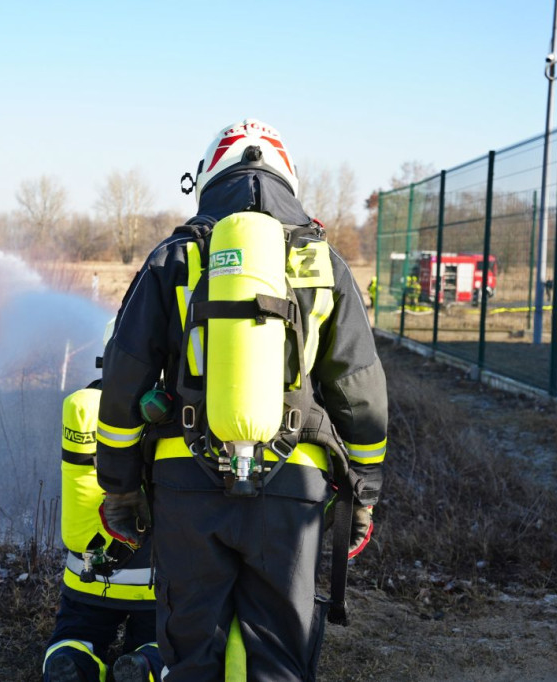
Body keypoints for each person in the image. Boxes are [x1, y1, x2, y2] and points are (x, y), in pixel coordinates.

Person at [95, 119, 388, 680]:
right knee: (279, 655)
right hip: (293, 485)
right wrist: (364, 494)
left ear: (208, 178)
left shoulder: (175, 256)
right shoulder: (322, 262)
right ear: (290, 181)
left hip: (185, 484)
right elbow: (361, 392)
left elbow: (122, 385)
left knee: (190, 652)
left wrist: (120, 487)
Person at [43, 383, 163, 682]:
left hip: (88, 576)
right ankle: (144, 662)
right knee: (164, 638)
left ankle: (70, 659)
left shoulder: (90, 414)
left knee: (75, 632)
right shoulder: (167, 418)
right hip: (153, 583)